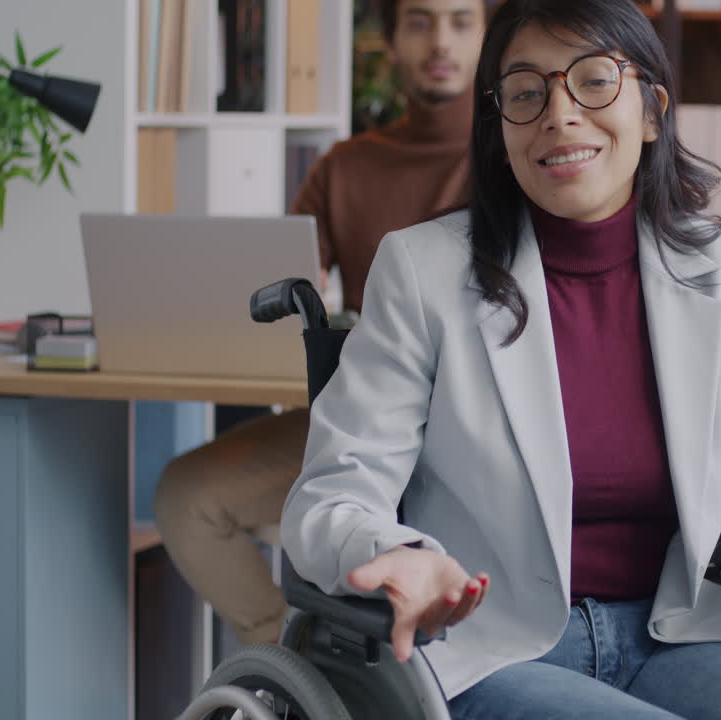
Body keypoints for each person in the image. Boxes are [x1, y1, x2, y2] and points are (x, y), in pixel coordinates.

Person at [281, 0, 721, 717]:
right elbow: (331, 497)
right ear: (500, 126)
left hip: (677, 634)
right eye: (526, 92)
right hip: (490, 649)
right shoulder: (423, 271)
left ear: (653, 111)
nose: (560, 115)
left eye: (595, 80)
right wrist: (397, 554)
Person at [153, 0, 488, 648]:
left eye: (459, 19)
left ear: (485, 34)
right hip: (365, 417)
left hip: (478, 434)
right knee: (186, 498)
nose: (440, 40)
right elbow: (274, 280)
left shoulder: (517, 159)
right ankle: (296, 671)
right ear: (390, 40)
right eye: (419, 21)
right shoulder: (346, 165)